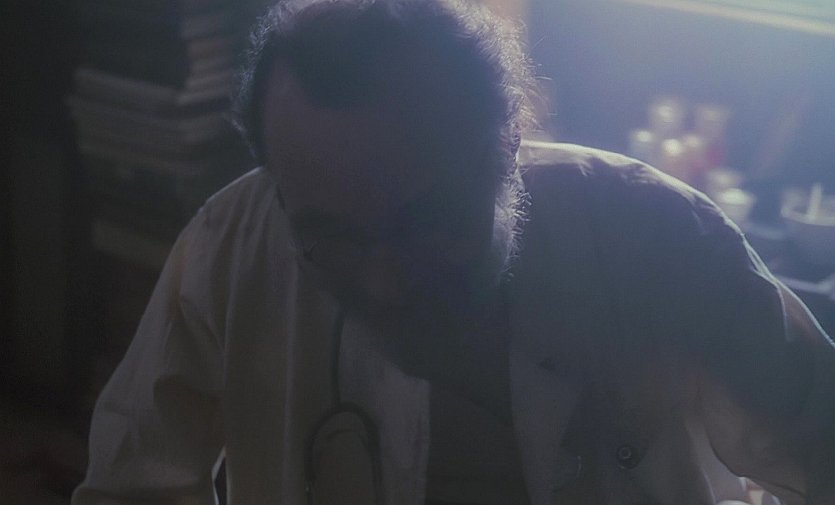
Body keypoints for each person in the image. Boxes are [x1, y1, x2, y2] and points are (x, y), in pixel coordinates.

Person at [72, 1, 835, 504]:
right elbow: (131, 483)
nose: (386, 281)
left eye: (425, 222)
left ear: (507, 149)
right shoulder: (229, 246)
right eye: (330, 238)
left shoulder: (660, 237)